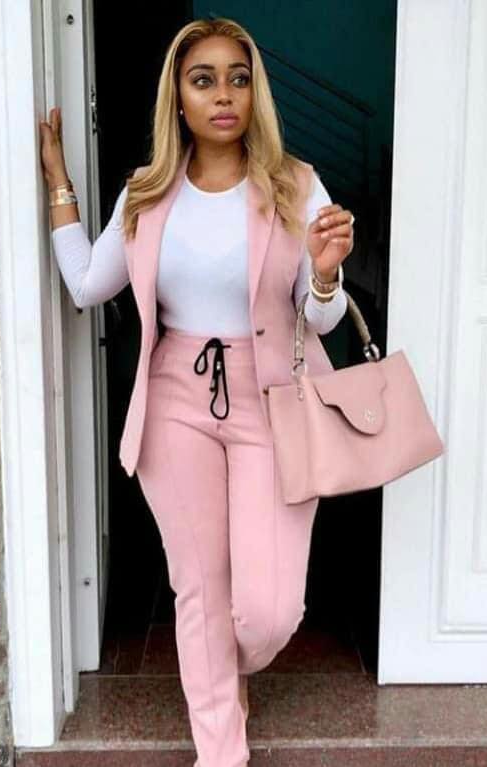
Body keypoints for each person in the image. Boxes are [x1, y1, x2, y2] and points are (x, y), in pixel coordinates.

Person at [38, 17, 354, 767]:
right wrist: (58, 181)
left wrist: (324, 273)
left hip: (272, 395)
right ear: (177, 98)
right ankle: (220, 750)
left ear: (255, 93)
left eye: (238, 79)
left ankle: (225, 667)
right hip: (176, 396)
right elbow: (86, 284)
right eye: (203, 79)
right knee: (201, 590)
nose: (223, 95)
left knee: (267, 611)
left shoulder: (295, 185)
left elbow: (321, 318)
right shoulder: (147, 194)